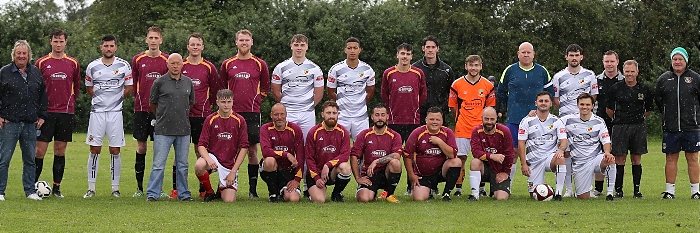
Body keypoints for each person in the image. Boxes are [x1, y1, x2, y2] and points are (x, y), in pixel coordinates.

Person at [496, 42, 553, 192]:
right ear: (518, 54)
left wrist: (539, 109)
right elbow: (500, 93)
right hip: (514, 119)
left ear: (533, 54)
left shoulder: (542, 71)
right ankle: (507, 186)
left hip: (538, 120)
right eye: (523, 52)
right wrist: (512, 106)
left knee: (538, 150)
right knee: (513, 152)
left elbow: (550, 93)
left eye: (529, 52)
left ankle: (538, 185)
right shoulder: (510, 70)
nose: (526, 55)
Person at [220, 29, 270, 198]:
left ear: (252, 42)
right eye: (241, 40)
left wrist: (255, 101)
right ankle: (227, 184)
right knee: (229, 149)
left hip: (251, 113)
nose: (244, 43)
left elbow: (265, 89)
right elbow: (222, 88)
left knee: (252, 150)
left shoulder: (259, 64)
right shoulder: (227, 64)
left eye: (247, 40)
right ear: (236, 42)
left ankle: (252, 190)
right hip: (231, 113)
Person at [83, 34, 133, 198]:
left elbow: (129, 88)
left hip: (115, 113)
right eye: (106, 46)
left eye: (111, 46)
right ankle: (91, 188)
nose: (109, 48)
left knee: (115, 150)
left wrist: (114, 100)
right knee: (95, 149)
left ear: (116, 47)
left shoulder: (124, 65)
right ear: (101, 47)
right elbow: (90, 88)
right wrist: (102, 101)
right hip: (97, 113)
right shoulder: (92, 66)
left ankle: (115, 188)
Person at [33, 29, 81, 198]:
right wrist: (39, 111)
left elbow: (76, 86)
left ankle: (57, 188)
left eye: (61, 41)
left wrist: (69, 105)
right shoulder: (41, 62)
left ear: (65, 42)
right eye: (55, 41)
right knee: (39, 151)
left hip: (65, 113)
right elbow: (35, 88)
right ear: (50, 42)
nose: (58, 44)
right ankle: (32, 188)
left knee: (60, 151)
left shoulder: (73, 63)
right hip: (45, 114)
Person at [0, 40, 48, 201]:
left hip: (30, 123)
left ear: (29, 55)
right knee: (4, 160)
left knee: (30, 160)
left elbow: (43, 96)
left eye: (24, 53)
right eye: (18, 53)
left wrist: (42, 115)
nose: (21, 56)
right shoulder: (4, 72)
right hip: (9, 123)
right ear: (13, 55)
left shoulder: (35, 72)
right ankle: (0, 192)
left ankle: (30, 191)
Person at [145, 53, 195, 201]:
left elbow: (190, 103)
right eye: (172, 63)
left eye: (178, 63)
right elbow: (152, 104)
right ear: (167, 64)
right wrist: (163, 116)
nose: (175, 66)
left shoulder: (188, 82)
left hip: (184, 130)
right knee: (158, 165)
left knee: (183, 165)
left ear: (182, 64)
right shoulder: (159, 82)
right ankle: (153, 194)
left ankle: (184, 194)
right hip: (163, 130)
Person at [551, 44, 598, 197]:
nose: (574, 58)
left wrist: (583, 111)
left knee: (587, 154)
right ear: (566, 57)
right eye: (571, 55)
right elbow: (556, 100)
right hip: (565, 121)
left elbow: (594, 96)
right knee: (566, 154)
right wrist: (568, 114)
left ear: (581, 57)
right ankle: (569, 189)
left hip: (585, 120)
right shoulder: (558, 76)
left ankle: (586, 188)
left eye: (577, 55)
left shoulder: (590, 75)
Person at [381, 43, 427, 195]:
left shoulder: (418, 73)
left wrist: (413, 108)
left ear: (412, 56)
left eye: (408, 54)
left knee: (413, 155)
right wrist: (393, 110)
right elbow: (384, 95)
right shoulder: (388, 73)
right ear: (397, 55)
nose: (405, 56)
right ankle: (387, 188)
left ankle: (411, 186)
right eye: (402, 53)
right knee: (391, 155)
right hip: (394, 121)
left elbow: (423, 95)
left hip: (413, 121)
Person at [655, 47, 700, 199]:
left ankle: (695, 191)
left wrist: (695, 117)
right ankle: (669, 191)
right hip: (671, 127)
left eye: (680, 59)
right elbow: (659, 101)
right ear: (671, 61)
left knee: (693, 158)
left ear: (686, 61)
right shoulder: (663, 79)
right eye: (675, 59)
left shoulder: (695, 78)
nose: (677, 62)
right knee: (670, 158)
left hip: (691, 126)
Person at [447, 55, 495, 197]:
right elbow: (453, 107)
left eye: (476, 65)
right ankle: (459, 188)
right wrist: (462, 118)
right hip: (462, 127)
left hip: (481, 129)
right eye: (471, 65)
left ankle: (480, 188)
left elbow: (489, 109)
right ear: (466, 66)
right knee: (460, 158)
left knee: (481, 158)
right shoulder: (456, 84)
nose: (473, 68)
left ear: (481, 66)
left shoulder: (488, 85)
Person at [131, 26, 169, 198]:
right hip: (141, 110)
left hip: (160, 112)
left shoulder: (166, 60)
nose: (153, 41)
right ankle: (139, 188)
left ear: (161, 40)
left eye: (156, 38)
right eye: (150, 38)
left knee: (159, 150)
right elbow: (134, 84)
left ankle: (158, 188)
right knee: (141, 147)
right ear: (146, 40)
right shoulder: (138, 59)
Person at [606, 60, 653, 199]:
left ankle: (636, 190)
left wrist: (636, 119)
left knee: (636, 158)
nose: (629, 74)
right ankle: (619, 190)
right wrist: (621, 119)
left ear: (637, 72)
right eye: (627, 71)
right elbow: (609, 109)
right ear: (623, 72)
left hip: (638, 126)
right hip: (620, 126)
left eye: (632, 71)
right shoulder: (616, 88)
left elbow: (648, 110)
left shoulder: (644, 89)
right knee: (620, 158)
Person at [194, 89, 249, 202]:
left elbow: (244, 148)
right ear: (217, 102)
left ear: (233, 102)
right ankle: (209, 192)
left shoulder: (240, 120)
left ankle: (221, 188)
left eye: (229, 101)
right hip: (213, 157)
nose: (226, 105)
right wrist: (208, 159)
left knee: (229, 200)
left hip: (229, 163)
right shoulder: (210, 119)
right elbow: (201, 145)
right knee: (199, 165)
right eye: (223, 102)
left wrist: (233, 171)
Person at [182, 33, 219, 198]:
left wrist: (207, 107)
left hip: (202, 116)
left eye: (198, 44)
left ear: (202, 47)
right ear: (188, 47)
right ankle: (179, 189)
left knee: (200, 152)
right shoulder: (180, 65)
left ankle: (203, 188)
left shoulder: (209, 67)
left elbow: (214, 91)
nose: (195, 47)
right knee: (180, 153)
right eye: (192, 44)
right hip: (181, 116)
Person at [560, 93, 616, 200]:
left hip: (595, 158)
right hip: (579, 163)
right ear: (577, 105)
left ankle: (609, 193)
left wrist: (607, 152)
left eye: (587, 104)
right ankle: (582, 191)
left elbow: (606, 140)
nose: (584, 107)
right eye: (582, 104)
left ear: (592, 106)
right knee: (583, 198)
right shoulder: (567, 120)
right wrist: (534, 114)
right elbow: (551, 121)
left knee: (610, 160)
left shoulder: (599, 121)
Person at [517, 91, 567, 201]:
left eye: (546, 101)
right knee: (535, 196)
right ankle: (547, 189)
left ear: (551, 104)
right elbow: (521, 143)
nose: (543, 103)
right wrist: (523, 164)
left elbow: (564, 141)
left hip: (550, 158)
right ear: (536, 103)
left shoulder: (557, 121)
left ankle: (558, 193)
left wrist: (561, 150)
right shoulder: (526, 121)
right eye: (541, 101)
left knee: (560, 158)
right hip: (533, 161)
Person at [272, 34, 324, 140]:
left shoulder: (315, 68)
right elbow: (276, 92)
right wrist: (286, 106)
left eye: (302, 45)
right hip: (288, 112)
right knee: (286, 143)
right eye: (296, 45)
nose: (299, 48)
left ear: (307, 47)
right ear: (291, 46)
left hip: (307, 113)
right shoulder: (281, 67)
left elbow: (319, 94)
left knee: (307, 145)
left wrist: (307, 105)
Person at [403, 106, 460, 201]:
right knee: (419, 198)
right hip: (422, 174)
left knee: (456, 161)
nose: (434, 122)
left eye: (437, 119)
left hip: (440, 172)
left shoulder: (447, 132)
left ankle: (446, 194)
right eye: (431, 119)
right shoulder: (417, 132)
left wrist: (439, 142)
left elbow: (452, 154)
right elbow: (407, 154)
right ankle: (428, 191)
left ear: (442, 121)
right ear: (426, 120)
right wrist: (411, 175)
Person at [350, 103, 403, 203]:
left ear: (387, 117)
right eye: (377, 115)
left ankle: (389, 194)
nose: (380, 118)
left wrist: (377, 161)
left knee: (396, 163)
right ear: (372, 117)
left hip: (386, 173)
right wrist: (358, 178)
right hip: (369, 174)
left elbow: (397, 155)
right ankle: (371, 192)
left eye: (383, 115)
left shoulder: (394, 135)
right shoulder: (364, 134)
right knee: (364, 199)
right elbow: (353, 156)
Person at [327, 37, 375, 140]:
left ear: (360, 50)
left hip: (361, 117)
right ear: (345, 50)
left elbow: (370, 92)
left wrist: (359, 103)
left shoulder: (368, 69)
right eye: (349, 48)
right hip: (342, 116)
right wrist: (341, 103)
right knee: (339, 146)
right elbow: (330, 91)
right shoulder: (335, 69)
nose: (352, 51)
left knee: (361, 148)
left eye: (355, 48)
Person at [305, 100, 352, 203]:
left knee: (346, 167)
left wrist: (328, 165)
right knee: (320, 200)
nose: (331, 116)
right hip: (316, 173)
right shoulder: (314, 132)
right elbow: (309, 158)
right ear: (322, 114)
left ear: (338, 115)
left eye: (334, 113)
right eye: (328, 113)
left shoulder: (343, 132)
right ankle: (311, 191)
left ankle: (336, 194)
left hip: (332, 172)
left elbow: (345, 155)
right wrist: (317, 178)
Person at [259, 103, 305, 202]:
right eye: (276, 114)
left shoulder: (295, 129)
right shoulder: (265, 128)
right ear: (271, 115)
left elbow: (301, 156)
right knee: (270, 161)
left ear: (286, 114)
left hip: (288, 170)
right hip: (270, 168)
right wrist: (286, 154)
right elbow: (266, 151)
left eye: (282, 114)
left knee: (293, 199)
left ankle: (282, 190)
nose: (279, 117)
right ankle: (273, 194)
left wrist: (297, 179)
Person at [467, 107, 514, 201]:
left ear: (496, 118)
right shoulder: (476, 131)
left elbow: (509, 154)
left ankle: (495, 190)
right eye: (486, 119)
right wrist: (492, 156)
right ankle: (475, 195)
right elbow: (475, 152)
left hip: (499, 170)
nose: (489, 122)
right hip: (485, 169)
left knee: (501, 198)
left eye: (492, 119)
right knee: (475, 162)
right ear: (482, 118)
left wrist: (505, 173)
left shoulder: (504, 131)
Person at [413, 35, 454, 126]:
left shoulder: (446, 70)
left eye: (433, 47)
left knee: (440, 140)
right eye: (428, 47)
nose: (430, 50)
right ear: (423, 48)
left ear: (438, 49)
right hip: (420, 114)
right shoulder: (415, 69)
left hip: (440, 114)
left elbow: (451, 93)